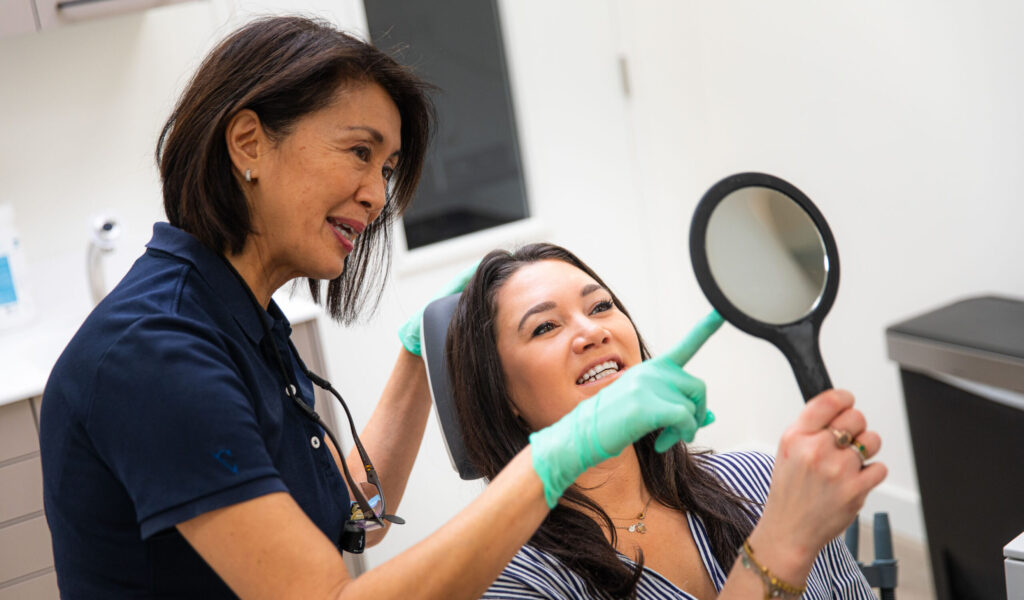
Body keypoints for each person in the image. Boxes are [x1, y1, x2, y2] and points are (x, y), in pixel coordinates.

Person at [39, 16, 771, 600]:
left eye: (388, 168)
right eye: (360, 153)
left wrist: (419, 361)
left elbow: (350, 518)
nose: (378, 195)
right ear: (248, 142)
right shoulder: (158, 353)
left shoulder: (243, 319)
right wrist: (559, 455)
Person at [446, 243, 888, 599]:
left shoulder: (762, 479)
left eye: (600, 307)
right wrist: (782, 543)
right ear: (502, 396)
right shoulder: (513, 582)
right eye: (545, 327)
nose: (593, 332)